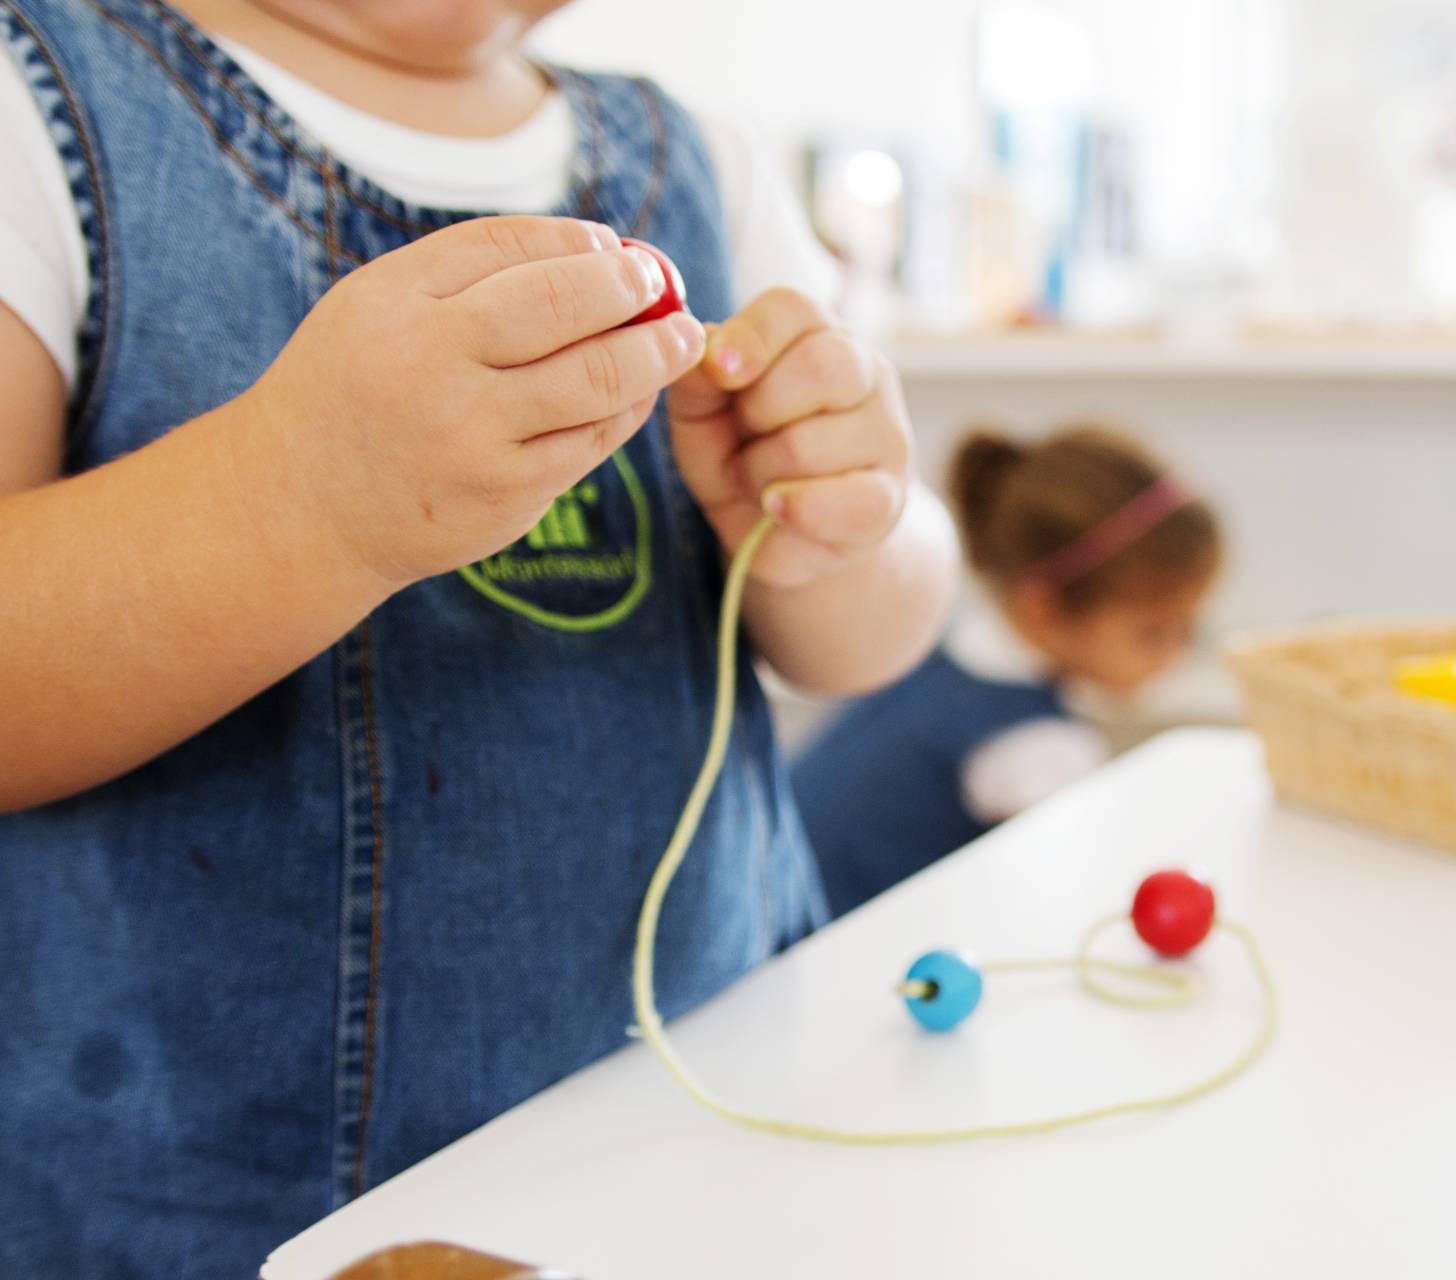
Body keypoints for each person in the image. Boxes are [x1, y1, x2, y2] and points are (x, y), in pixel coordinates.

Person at [0, 1, 957, 1272]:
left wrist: (846, 528)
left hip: (706, 1147)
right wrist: (292, 499)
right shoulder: (37, 106)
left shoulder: (702, 159)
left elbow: (869, 633)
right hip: (215, 1201)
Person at [794, 426, 1222, 917]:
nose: (1180, 653)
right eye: (1154, 632)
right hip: (831, 952)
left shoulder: (936, 653)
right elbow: (1080, 900)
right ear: (1045, 611)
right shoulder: (1035, 746)